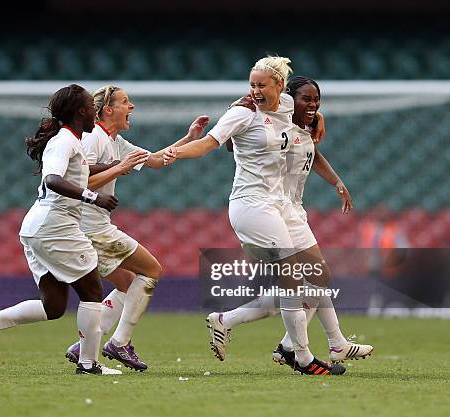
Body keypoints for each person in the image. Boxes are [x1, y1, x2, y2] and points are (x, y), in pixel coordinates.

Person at [163, 56, 345, 375]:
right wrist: (174, 152)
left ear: (279, 86)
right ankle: (302, 357)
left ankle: (228, 320)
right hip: (251, 204)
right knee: (290, 279)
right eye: (251, 84)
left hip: (279, 204)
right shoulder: (242, 112)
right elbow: (208, 144)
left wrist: (318, 119)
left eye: (261, 85)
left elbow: (307, 110)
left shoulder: (287, 104)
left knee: (319, 276)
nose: (255, 90)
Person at [216, 76, 374, 368]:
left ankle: (319, 344)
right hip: (267, 211)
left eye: (317, 100)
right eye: (306, 99)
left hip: (291, 210)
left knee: (315, 279)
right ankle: (302, 348)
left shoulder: (304, 125)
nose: (313, 105)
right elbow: (234, 142)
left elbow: (312, 155)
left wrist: (337, 181)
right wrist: (235, 108)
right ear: (287, 99)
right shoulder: (273, 122)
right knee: (301, 283)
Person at [0, 84, 122, 375]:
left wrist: (120, 165)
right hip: (55, 225)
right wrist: (93, 197)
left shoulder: (72, 140)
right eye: (91, 106)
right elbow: (52, 179)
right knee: (92, 290)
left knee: (54, 306)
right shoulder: (63, 141)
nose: (95, 111)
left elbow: (84, 169)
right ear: (80, 112)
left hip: (40, 227)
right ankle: (89, 364)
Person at [64, 85, 209, 371]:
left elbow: (155, 160)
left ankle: (85, 345)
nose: (132, 108)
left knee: (128, 284)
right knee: (152, 270)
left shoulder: (115, 141)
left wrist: (189, 139)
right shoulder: (93, 139)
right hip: (90, 228)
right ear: (108, 110)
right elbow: (78, 183)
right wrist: (118, 168)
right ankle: (119, 343)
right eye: (125, 102)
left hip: (91, 227)